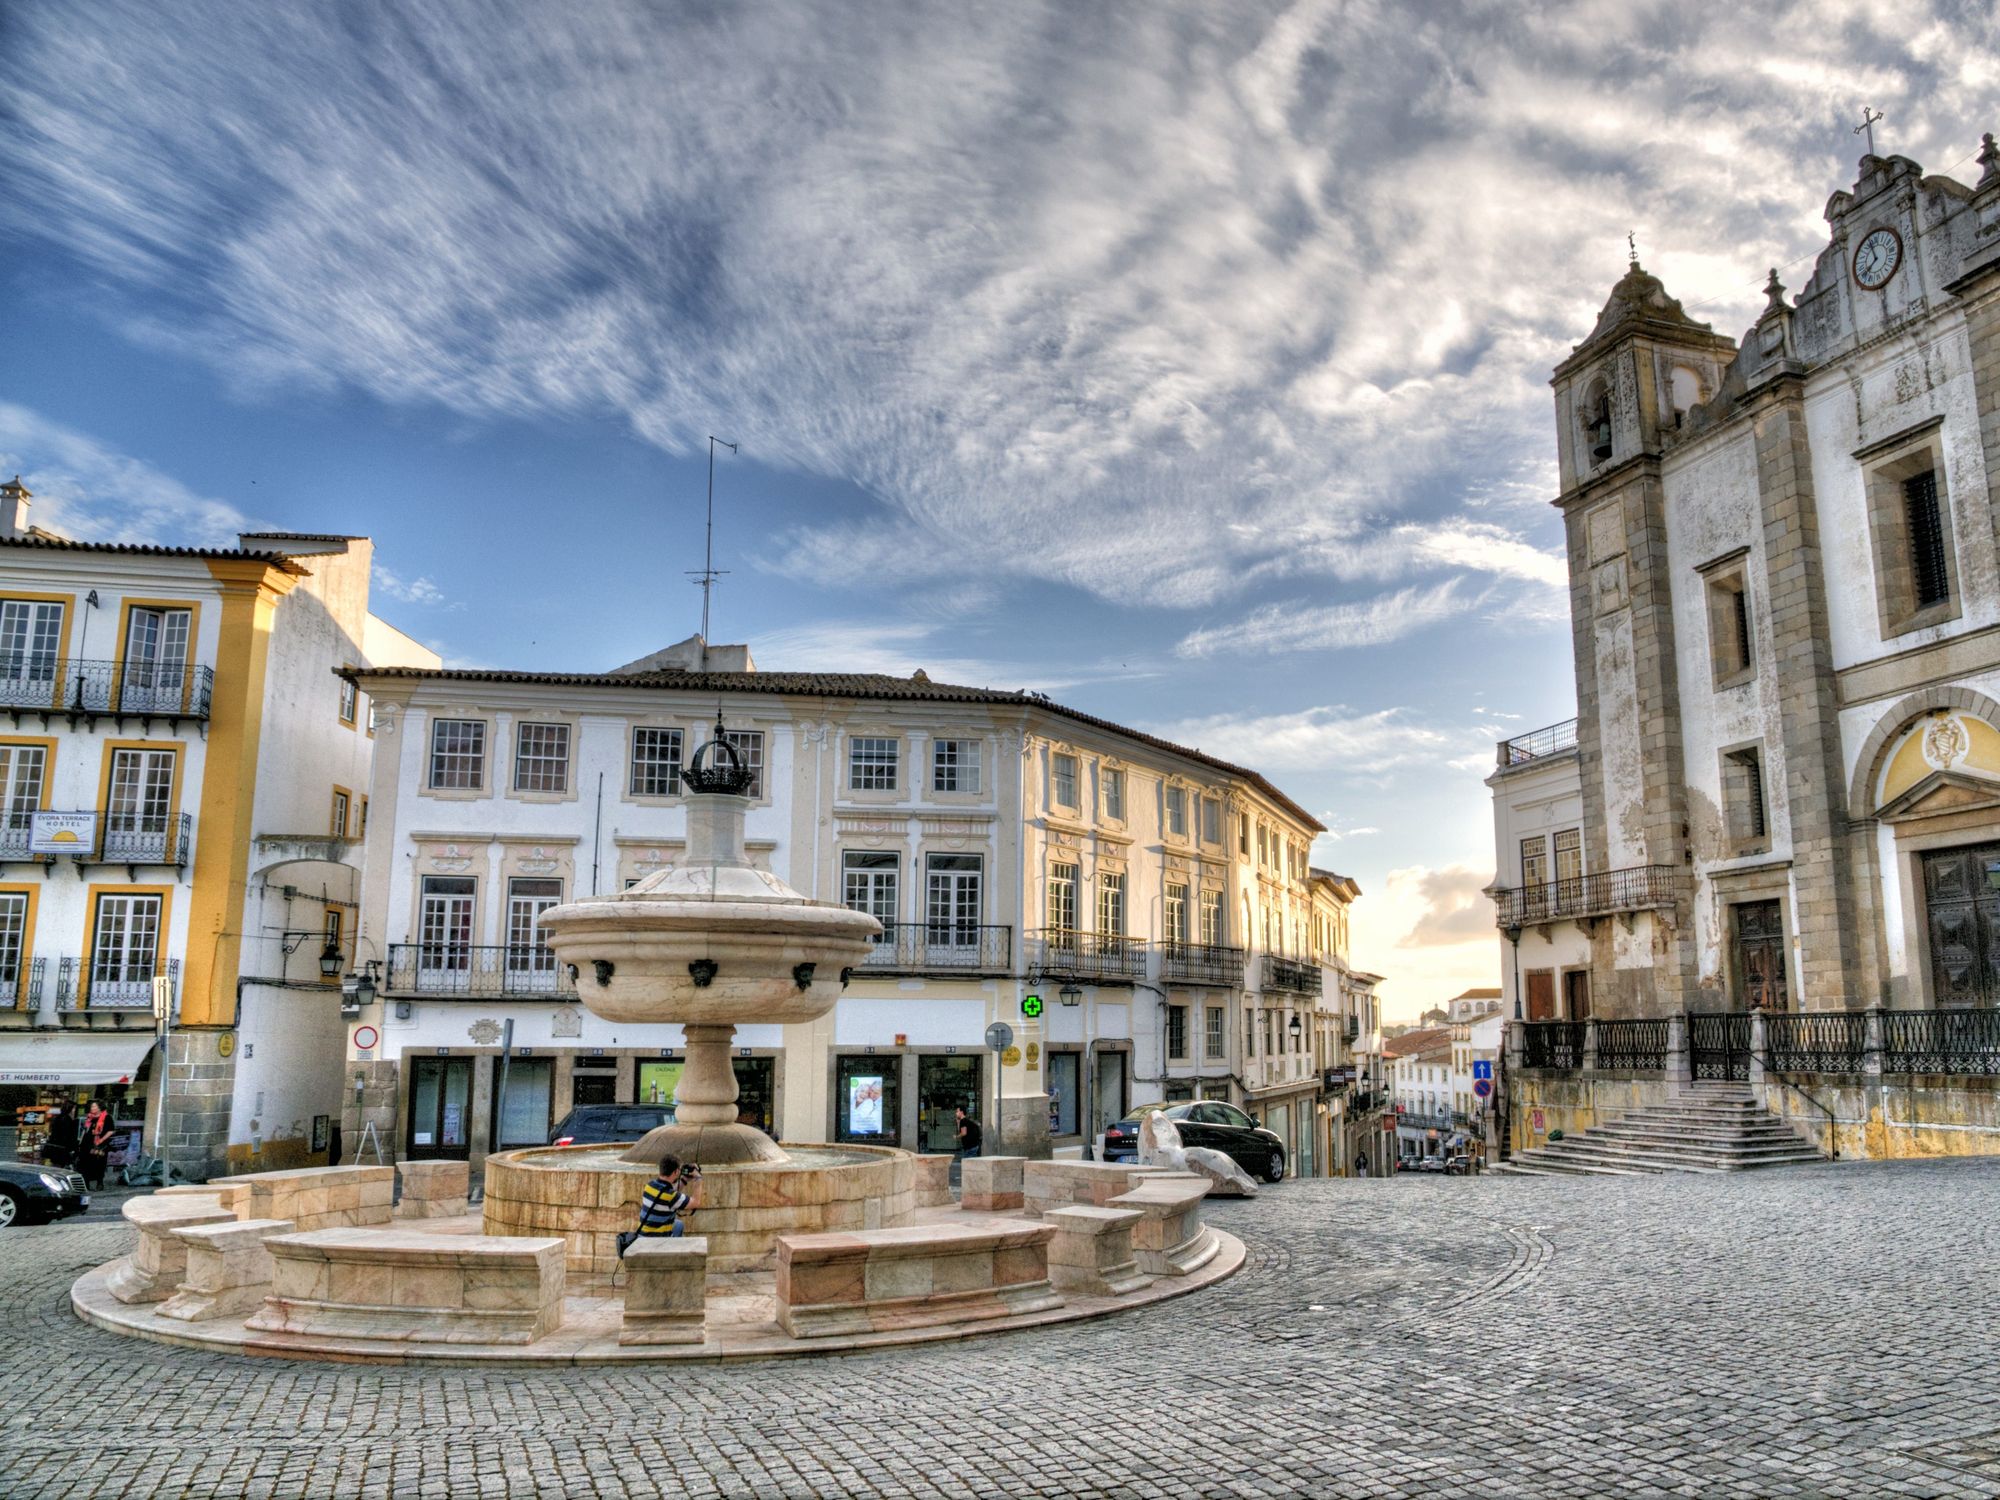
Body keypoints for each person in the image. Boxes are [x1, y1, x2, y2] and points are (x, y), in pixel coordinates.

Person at [619, 1155, 701, 1256]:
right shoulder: (671, 1196)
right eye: (679, 1170)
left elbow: (668, 1194)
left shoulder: (650, 1185)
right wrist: (698, 1178)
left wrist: (684, 1180)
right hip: (656, 1240)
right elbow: (696, 1202)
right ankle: (673, 1256)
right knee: (678, 1228)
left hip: (643, 1235)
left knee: (678, 1224)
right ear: (676, 1172)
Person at [78, 1100, 115, 1191]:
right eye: (91, 1107)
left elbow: (111, 1131)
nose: (92, 1108)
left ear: (100, 1107)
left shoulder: (107, 1117)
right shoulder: (90, 1117)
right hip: (87, 1144)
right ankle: (86, 1183)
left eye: (94, 1106)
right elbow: (85, 1130)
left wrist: (101, 1140)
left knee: (99, 1163)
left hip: (100, 1144)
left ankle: (99, 1182)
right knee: (86, 1163)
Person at [42, 1103, 77, 1170]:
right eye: (73, 1108)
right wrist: (73, 1148)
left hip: (55, 1148)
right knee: (59, 1168)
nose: (74, 1110)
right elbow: (67, 1136)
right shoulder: (67, 1119)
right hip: (61, 1149)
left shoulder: (57, 1118)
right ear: (69, 1109)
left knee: (55, 1166)